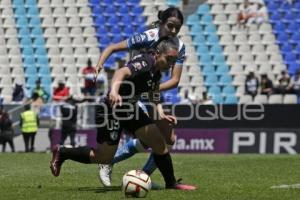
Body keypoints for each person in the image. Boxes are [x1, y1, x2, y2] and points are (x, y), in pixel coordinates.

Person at [50, 37, 196, 191]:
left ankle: (171, 183)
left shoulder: (157, 72)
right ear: (158, 53)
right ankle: (62, 151)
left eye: (174, 61)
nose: (171, 64)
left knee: (159, 142)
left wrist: (160, 112)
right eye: (169, 59)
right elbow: (121, 72)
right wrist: (114, 90)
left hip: (130, 110)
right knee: (103, 157)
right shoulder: (146, 62)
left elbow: (153, 92)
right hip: (112, 109)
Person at [94, 7, 187, 187]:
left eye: (178, 28)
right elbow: (113, 47)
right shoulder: (146, 37)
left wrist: (152, 92)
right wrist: (99, 65)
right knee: (152, 139)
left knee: (169, 138)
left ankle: (141, 178)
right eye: (170, 26)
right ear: (162, 23)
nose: (174, 31)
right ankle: (108, 163)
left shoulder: (179, 47)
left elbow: (175, 81)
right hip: (132, 92)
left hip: (150, 91)